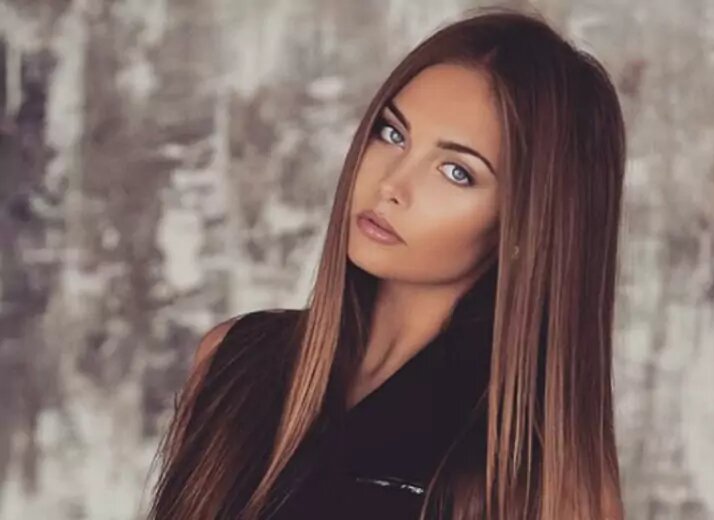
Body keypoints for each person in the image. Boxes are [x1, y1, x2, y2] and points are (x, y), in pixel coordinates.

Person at [147, 6, 626, 519]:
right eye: (392, 134)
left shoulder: (537, 470)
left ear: (525, 228)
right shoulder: (232, 361)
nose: (392, 184)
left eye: (456, 171)